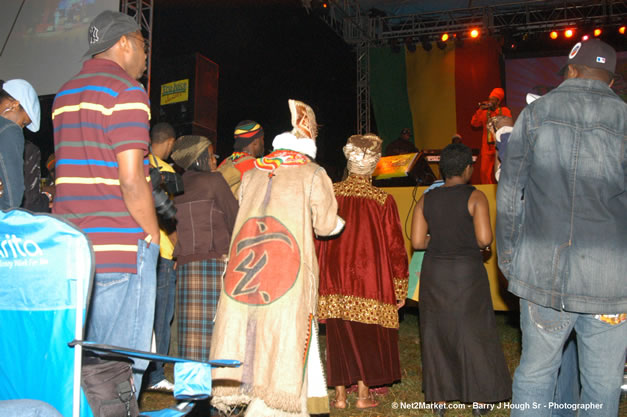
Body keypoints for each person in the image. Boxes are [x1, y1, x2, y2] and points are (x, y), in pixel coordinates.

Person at [496, 38, 627, 417]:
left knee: (536, 375)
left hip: (542, 272)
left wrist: (509, 258)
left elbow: (509, 193)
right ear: (611, 80)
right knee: (602, 387)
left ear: (570, 70)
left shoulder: (536, 115)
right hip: (610, 280)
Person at [210, 99, 345, 417]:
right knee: (285, 334)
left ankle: (246, 396)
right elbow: (326, 226)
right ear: (310, 144)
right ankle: (274, 406)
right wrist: (337, 221)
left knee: (245, 328)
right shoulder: (312, 173)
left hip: (245, 268)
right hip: (287, 268)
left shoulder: (253, 171)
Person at [52, 10, 159, 394]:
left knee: (85, 368)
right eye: (143, 46)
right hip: (119, 248)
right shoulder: (126, 91)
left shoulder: (64, 95)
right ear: (125, 43)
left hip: (73, 252)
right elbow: (131, 179)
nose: (146, 56)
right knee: (121, 370)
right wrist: (152, 237)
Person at [411, 143, 512, 416]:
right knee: (474, 331)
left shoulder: (426, 199)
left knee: (436, 332)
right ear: (469, 168)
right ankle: (480, 401)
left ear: (442, 169)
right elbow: (484, 239)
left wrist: (440, 237)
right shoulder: (475, 196)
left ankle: (439, 401)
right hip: (467, 273)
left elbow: (418, 242)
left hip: (435, 274)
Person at [315, 133, 409, 410]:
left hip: (333, 276)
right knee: (365, 335)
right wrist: (399, 288)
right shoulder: (382, 199)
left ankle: (341, 396)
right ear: (374, 164)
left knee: (338, 334)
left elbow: (317, 235)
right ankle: (363, 395)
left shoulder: (331, 192)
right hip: (369, 279)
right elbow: (395, 248)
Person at [169, 135, 238, 362]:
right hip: (214, 264)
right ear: (198, 159)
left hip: (186, 267)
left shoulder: (177, 186)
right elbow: (235, 218)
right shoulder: (214, 181)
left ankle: (193, 387)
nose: (213, 160)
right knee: (216, 329)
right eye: (209, 156)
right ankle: (218, 386)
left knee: (191, 333)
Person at [144, 122, 179, 392]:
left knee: (144, 316)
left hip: (141, 251)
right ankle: (156, 375)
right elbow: (169, 216)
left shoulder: (139, 164)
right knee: (162, 318)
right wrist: (179, 249)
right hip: (163, 252)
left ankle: (143, 373)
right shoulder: (165, 172)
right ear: (169, 142)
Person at [0, 79, 40, 210]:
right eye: (23, 123)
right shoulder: (9, 129)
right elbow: (13, 196)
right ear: (14, 105)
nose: (20, 128)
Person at [470, 87, 511, 184]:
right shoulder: (484, 112)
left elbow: (509, 123)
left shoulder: (504, 110)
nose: (490, 101)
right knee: (484, 172)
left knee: (503, 169)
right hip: (487, 147)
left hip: (501, 145)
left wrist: (495, 111)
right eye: (490, 99)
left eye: (493, 99)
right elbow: (474, 123)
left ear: (498, 101)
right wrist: (480, 110)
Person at [217, 119, 265, 199]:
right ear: (256, 142)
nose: (263, 143)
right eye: (262, 139)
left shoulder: (226, 162)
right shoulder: (255, 166)